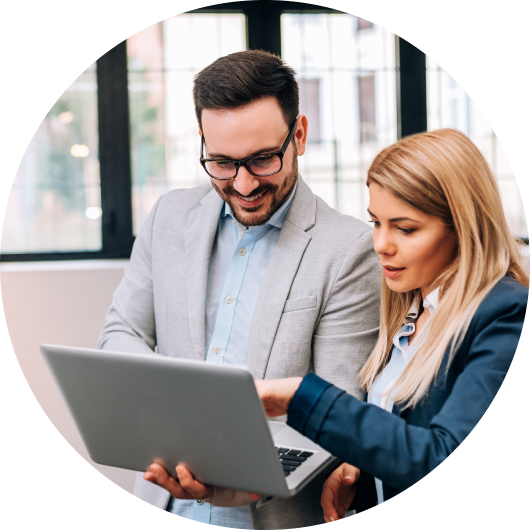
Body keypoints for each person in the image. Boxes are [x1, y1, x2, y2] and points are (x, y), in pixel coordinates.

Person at [97, 49, 381, 530]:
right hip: (164, 510)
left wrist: (238, 473)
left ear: (300, 136)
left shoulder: (350, 248)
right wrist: (175, 420)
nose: (244, 184)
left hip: (271, 514)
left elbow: (339, 408)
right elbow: (122, 331)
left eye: (263, 160)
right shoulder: (169, 217)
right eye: (223, 163)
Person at [254, 128, 530, 527]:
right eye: (376, 222)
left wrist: (303, 396)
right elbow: (408, 439)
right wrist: (362, 478)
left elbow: (450, 464)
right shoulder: (411, 311)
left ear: (461, 226)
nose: (380, 244)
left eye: (405, 228)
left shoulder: (507, 315)